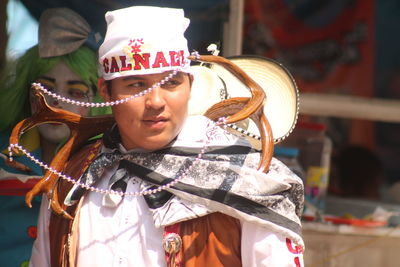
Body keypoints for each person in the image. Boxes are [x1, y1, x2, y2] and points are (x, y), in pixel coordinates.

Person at [29, 6, 304, 267]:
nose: (156, 101)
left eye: (171, 82)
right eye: (136, 85)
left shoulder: (249, 180)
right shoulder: (70, 180)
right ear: (106, 91)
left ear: (190, 85)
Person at [0, 8, 108, 267]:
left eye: (76, 91)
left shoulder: (109, 161)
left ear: (97, 99)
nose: (56, 101)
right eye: (45, 88)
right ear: (26, 92)